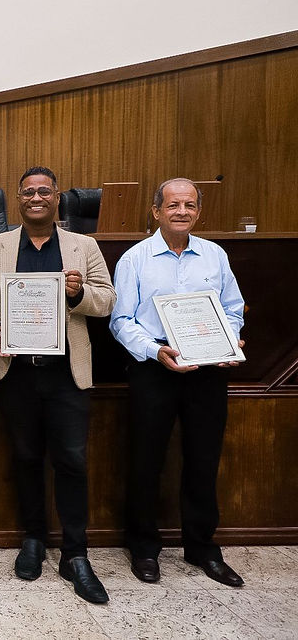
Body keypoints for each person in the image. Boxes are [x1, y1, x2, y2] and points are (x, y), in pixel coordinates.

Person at [0, 166, 115, 604]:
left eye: (44, 191)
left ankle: (76, 554)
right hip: (16, 372)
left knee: (72, 460)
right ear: (18, 198)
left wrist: (76, 294)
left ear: (56, 199)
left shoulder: (82, 246)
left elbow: (107, 300)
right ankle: (33, 539)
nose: (36, 197)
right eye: (28, 191)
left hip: (67, 374)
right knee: (26, 457)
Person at [110, 178, 246, 588]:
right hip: (156, 366)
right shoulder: (135, 259)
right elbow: (121, 321)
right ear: (156, 212)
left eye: (189, 205)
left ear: (198, 212)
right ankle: (144, 547)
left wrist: (230, 337)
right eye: (173, 205)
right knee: (146, 460)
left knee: (204, 460)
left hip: (207, 369)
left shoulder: (215, 255)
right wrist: (156, 352)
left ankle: (202, 547)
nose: (181, 211)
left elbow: (233, 308)